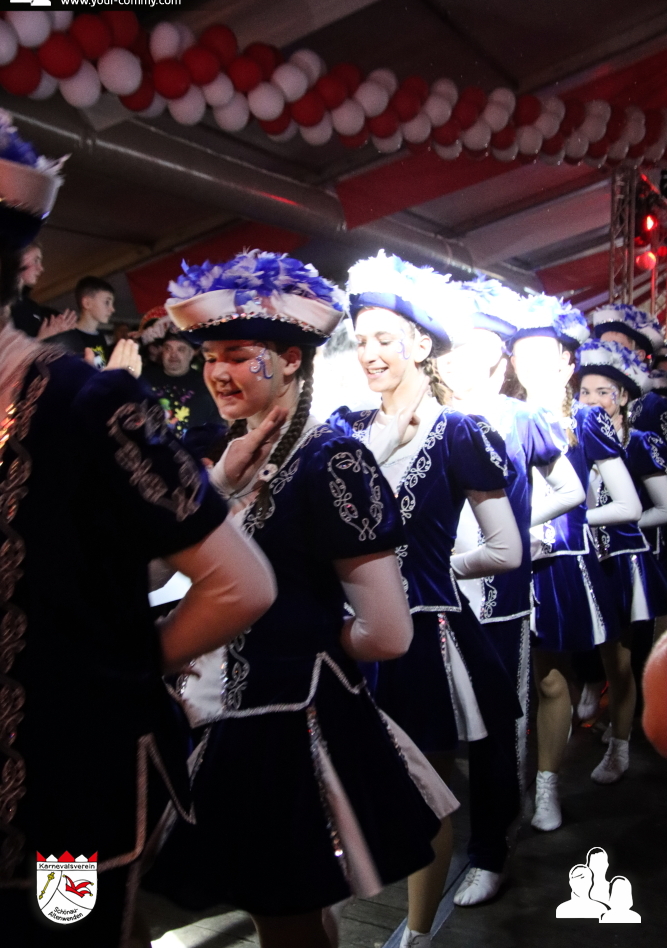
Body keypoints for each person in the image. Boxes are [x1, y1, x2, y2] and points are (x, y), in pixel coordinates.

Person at [0, 114, 277, 948]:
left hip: (66, 788)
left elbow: (241, 584)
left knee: (67, 930)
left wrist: (119, 667)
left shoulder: (86, 400)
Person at [147, 250, 458, 948]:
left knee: (288, 917)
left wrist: (307, 634)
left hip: (287, 727)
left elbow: (387, 634)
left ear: (291, 359)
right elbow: (153, 571)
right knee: (290, 914)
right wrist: (216, 490)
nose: (216, 372)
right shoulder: (226, 457)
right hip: (220, 718)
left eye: (237, 355)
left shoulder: (331, 460)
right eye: (209, 358)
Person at [327, 253, 524, 943]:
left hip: (422, 639)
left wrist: (434, 567)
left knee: (425, 787)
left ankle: (414, 934)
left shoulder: (459, 432)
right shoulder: (345, 428)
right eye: (361, 340)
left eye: (385, 338)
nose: (370, 353)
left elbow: (506, 549)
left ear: (419, 344)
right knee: (351, 782)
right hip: (345, 637)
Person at [434, 279, 585, 904]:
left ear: (497, 358)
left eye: (470, 350)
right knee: (436, 725)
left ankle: (489, 853)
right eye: (449, 350)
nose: (454, 363)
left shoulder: (521, 418)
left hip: (500, 597)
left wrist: (521, 526)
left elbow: (572, 489)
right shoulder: (429, 417)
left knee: (496, 727)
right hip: (435, 597)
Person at [508, 295, 642, 829]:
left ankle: (556, 783)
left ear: (567, 363)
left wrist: (565, 522)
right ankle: (523, 781)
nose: (529, 365)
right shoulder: (500, 414)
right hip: (508, 561)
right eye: (521, 354)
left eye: (543, 355)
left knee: (581, 673)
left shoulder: (585, 421)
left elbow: (628, 503)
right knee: (527, 683)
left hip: (570, 566)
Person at [577, 340, 667, 770]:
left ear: (625, 396)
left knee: (621, 659)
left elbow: (665, 508)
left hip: (625, 563)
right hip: (583, 560)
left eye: (603, 392)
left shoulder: (640, 442)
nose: (592, 400)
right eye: (584, 392)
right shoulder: (572, 437)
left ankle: (620, 745)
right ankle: (590, 698)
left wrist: (618, 525)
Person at [143, 331, 220, 438]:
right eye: (168, 348)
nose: (173, 355)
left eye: (181, 349)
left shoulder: (207, 385)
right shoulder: (144, 379)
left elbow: (217, 428)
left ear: (192, 353)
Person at [9, 241, 77, 339]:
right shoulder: (4, 304)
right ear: (19, 258)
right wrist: (41, 338)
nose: (41, 268)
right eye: (36, 260)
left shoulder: (32, 307)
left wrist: (53, 333)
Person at [46, 275, 116, 367]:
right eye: (107, 302)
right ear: (87, 303)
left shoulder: (101, 337)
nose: (112, 309)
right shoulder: (68, 337)